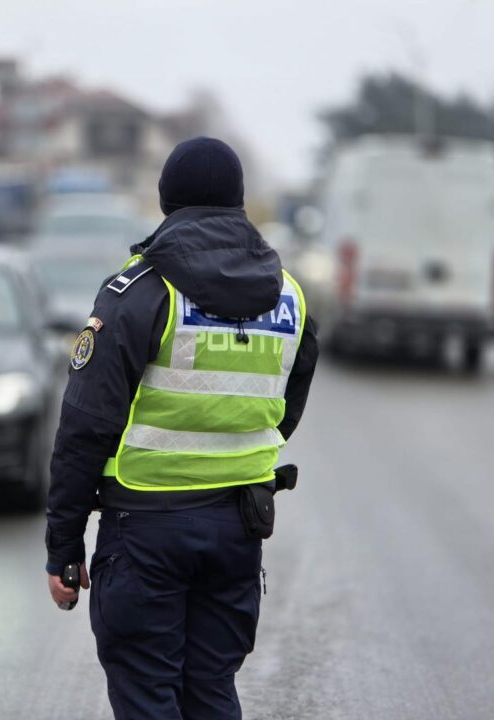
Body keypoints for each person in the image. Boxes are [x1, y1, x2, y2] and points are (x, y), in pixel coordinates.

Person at [45, 136, 319, 719]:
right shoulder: (289, 298)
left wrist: (63, 547)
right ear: (239, 202)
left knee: (149, 693)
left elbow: (84, 429)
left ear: (167, 200)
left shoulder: (140, 290)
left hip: (145, 529)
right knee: (212, 690)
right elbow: (284, 407)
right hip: (238, 529)